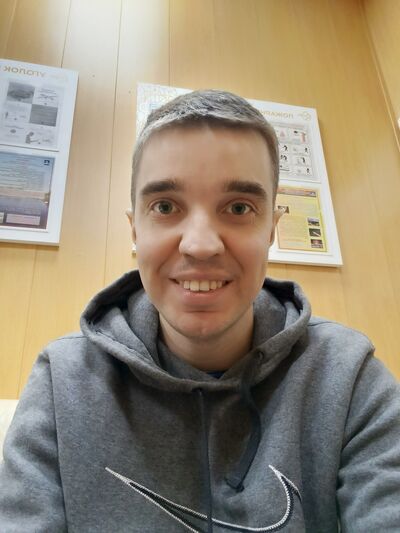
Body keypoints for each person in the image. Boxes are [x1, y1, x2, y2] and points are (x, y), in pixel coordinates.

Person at [0, 90, 399, 532]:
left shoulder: (349, 377)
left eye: (239, 208)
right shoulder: (62, 380)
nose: (201, 245)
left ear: (271, 229)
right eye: (165, 207)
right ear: (135, 230)